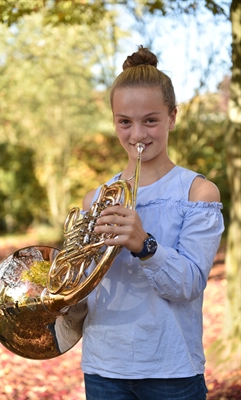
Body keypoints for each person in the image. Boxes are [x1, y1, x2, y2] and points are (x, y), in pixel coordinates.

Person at [81, 46, 224, 400]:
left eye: (151, 120)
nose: (137, 134)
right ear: (114, 121)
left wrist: (145, 244)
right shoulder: (95, 199)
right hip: (103, 369)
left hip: (171, 370)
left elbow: (189, 285)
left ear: (172, 117)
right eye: (124, 122)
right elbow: (83, 291)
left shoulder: (198, 193)